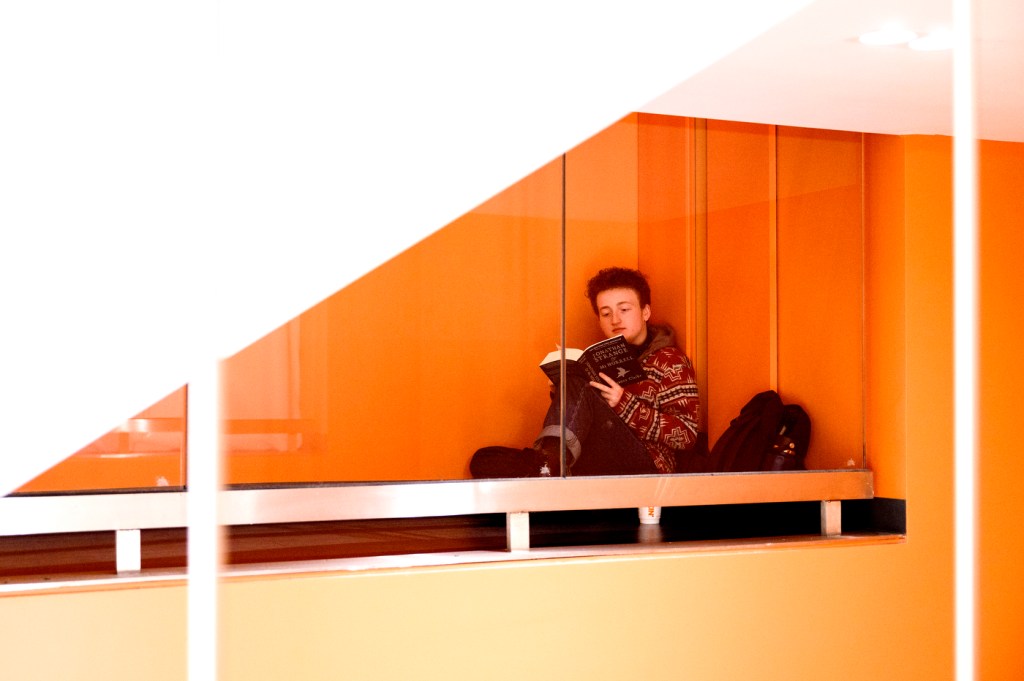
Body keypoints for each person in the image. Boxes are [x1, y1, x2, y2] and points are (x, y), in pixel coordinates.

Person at [470, 267, 701, 477]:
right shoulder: (599, 359)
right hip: (598, 456)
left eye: (624, 309)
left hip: (647, 465)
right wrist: (562, 389)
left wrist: (624, 404)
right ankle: (548, 464)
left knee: (578, 384)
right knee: (483, 459)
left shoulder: (670, 360)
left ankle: (547, 465)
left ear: (646, 312)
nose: (616, 319)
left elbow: (687, 435)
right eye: (606, 313)